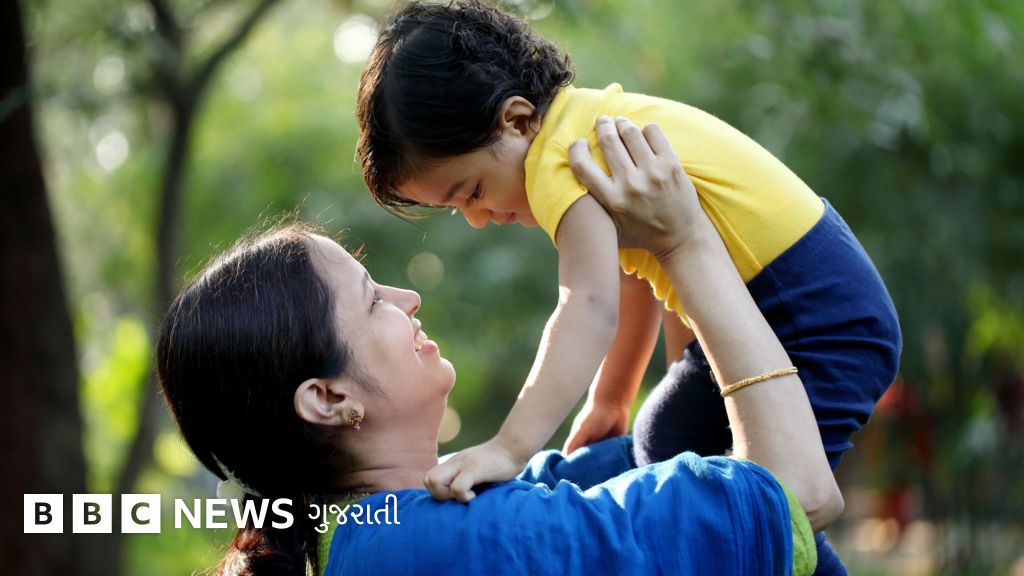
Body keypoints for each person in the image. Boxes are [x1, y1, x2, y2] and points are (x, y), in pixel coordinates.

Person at [156, 121, 843, 575]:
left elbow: (678, 459)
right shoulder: (432, 547)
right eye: (370, 300)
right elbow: (796, 496)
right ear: (329, 397)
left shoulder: (407, 526)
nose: (408, 298)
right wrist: (684, 241)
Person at [356, 0, 899, 507]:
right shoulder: (585, 125)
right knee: (669, 439)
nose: (478, 217)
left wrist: (509, 447)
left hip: (815, 315)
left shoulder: (561, 161)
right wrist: (611, 400)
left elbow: (587, 305)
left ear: (516, 120)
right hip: (792, 300)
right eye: (457, 208)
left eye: (472, 192)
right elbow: (632, 275)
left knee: (773, 499)